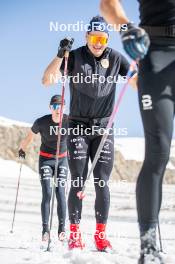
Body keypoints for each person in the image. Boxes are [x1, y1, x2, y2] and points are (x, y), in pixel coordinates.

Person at [42, 15, 137, 251]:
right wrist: (59, 54)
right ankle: (74, 234)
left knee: (102, 182)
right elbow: (47, 80)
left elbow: (135, 80)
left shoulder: (115, 58)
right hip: (77, 127)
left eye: (102, 38)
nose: (98, 43)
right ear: (86, 37)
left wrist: (140, 65)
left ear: (107, 39)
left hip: (104, 128)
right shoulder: (74, 56)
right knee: (77, 180)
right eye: (94, 37)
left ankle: (100, 235)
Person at [100, 0, 175, 263]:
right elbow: (107, 4)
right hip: (156, 52)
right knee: (158, 151)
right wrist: (125, 28)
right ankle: (149, 250)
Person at [18, 95, 69, 242]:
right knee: (47, 192)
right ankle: (45, 230)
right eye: (54, 107)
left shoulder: (69, 121)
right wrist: (22, 149)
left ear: (64, 108)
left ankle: (61, 230)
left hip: (62, 160)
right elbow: (29, 136)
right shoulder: (42, 122)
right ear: (50, 108)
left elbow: (82, 131)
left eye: (60, 107)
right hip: (46, 160)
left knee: (60, 192)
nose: (57, 110)